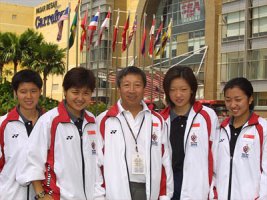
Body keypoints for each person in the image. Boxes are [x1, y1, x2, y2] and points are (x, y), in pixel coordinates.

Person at [16, 67, 104, 200]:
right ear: (65, 91)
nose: (80, 98)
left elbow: (96, 162)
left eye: (86, 93)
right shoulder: (49, 121)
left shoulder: (92, 121)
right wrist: (41, 195)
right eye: (75, 92)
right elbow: (32, 160)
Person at [96, 66, 173, 200]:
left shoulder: (157, 120)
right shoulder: (104, 120)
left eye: (137, 85)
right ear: (119, 88)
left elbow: (165, 161)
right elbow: (96, 163)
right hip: (115, 191)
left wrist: (165, 196)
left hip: (149, 191)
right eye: (126, 85)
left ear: (144, 88)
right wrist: (99, 196)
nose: (132, 90)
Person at [160, 66, 219, 199]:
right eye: (173, 90)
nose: (178, 95)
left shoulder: (207, 116)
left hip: (197, 188)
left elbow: (215, 154)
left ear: (192, 89)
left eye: (184, 89)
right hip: (169, 188)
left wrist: (213, 189)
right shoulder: (160, 120)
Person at [210, 77, 267, 199]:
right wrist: (214, 194)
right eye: (228, 100)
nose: (232, 105)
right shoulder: (220, 129)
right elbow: (214, 168)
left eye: (238, 99)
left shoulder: (263, 129)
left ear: (250, 98)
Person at [0, 69, 43, 200]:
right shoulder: (3, 124)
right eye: (23, 92)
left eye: (33, 91)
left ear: (40, 92)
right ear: (15, 93)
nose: (29, 96)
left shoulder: (49, 123)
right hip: (10, 195)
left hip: (44, 196)